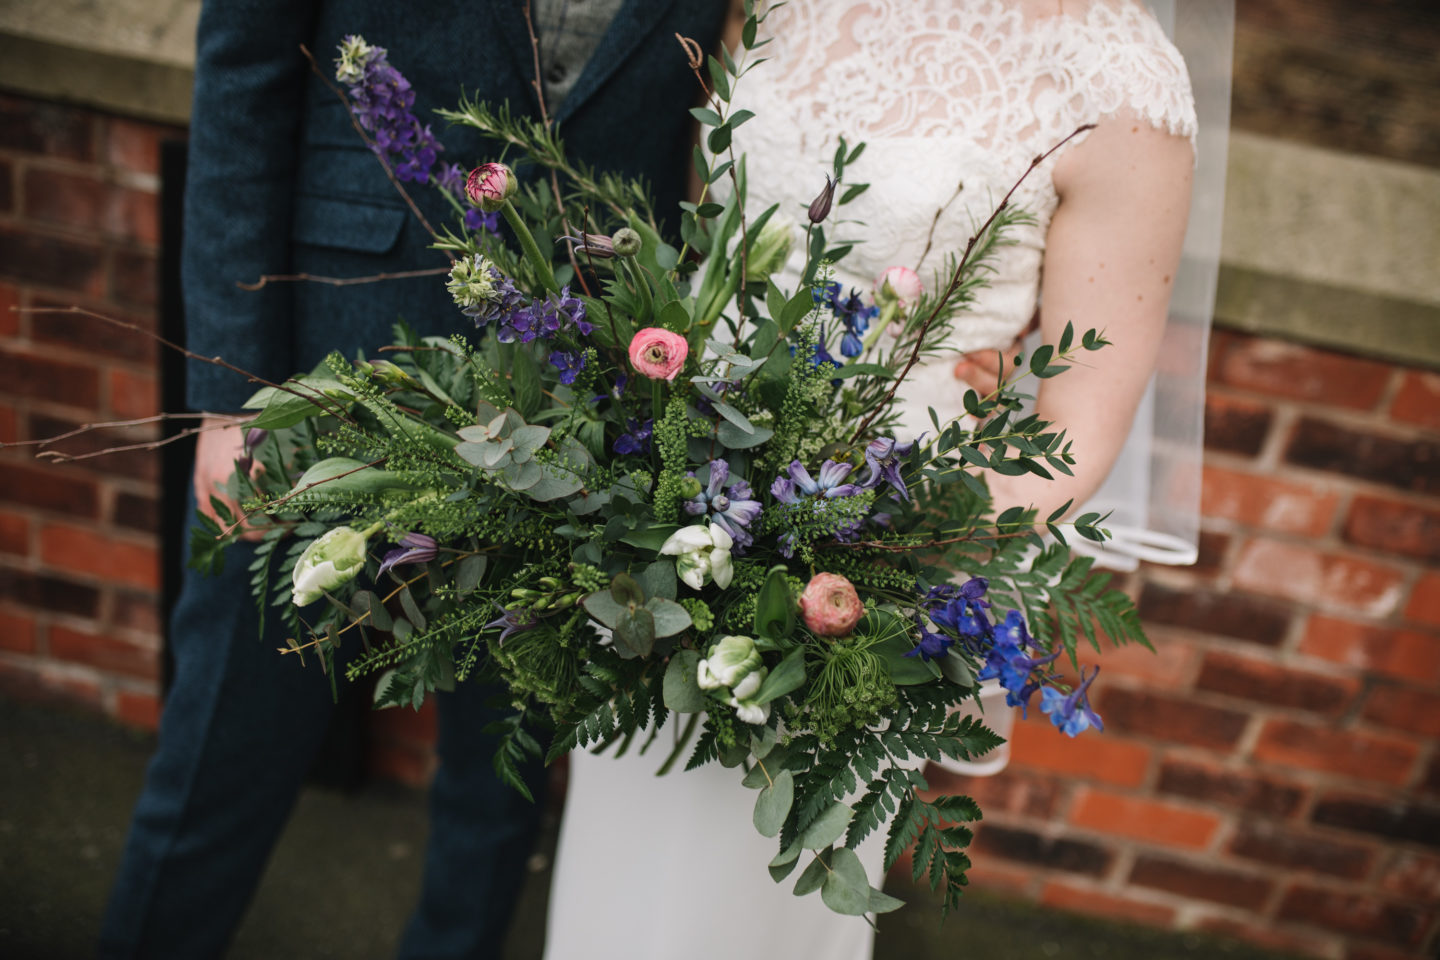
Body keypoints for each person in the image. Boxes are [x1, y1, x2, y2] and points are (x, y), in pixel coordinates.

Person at [542, 2, 1227, 958]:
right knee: (625, 850)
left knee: (760, 881)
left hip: (874, 553)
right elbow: (704, 241)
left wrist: (889, 566)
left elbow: (1078, 430)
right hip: (665, 502)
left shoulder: (1119, 79)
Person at [98, 2, 726, 957]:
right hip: (327, 361)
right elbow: (242, 76)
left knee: (500, 782)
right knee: (224, 747)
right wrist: (230, 395)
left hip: (579, 394)